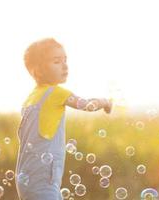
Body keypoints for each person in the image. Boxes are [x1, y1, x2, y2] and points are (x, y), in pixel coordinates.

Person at [15, 38, 113, 200]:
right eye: (56, 61)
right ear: (38, 70)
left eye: (65, 60)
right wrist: (104, 102)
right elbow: (87, 105)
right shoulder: (57, 93)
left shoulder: (30, 99)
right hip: (43, 178)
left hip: (26, 176)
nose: (65, 66)